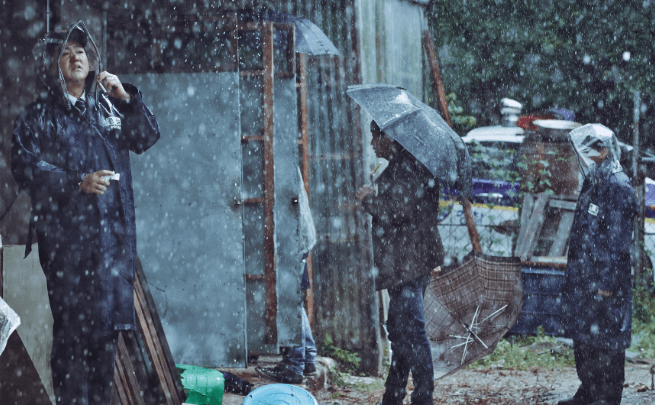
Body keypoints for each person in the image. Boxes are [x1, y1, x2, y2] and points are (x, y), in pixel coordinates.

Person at [11, 21, 160, 404]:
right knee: (72, 344)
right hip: (68, 250)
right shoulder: (40, 116)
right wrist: (75, 182)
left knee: (104, 344)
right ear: (53, 65)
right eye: (65, 52)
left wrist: (126, 96)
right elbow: (23, 165)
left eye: (80, 50)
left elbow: (145, 138)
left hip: (111, 249)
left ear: (90, 59)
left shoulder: (109, 106)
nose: (75, 56)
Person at [356, 121, 444, 405]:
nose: (372, 144)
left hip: (408, 264)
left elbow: (398, 211)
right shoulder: (405, 163)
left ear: (388, 137)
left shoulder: (408, 166)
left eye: (375, 137)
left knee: (411, 331)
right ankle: (393, 395)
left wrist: (369, 199)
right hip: (408, 262)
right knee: (400, 330)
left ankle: (422, 397)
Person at [559, 124, 637, 405]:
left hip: (604, 282)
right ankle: (589, 389)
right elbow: (584, 232)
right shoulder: (594, 180)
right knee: (585, 338)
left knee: (607, 341)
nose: (585, 157)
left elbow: (617, 243)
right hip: (585, 278)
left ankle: (606, 395)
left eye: (591, 151)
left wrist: (606, 283)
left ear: (603, 150)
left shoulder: (617, 186)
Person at [256, 168, 319, 384]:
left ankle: (294, 366)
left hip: (294, 238)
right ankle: (307, 358)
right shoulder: (283, 154)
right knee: (294, 301)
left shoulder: (279, 159)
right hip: (299, 235)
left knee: (289, 302)